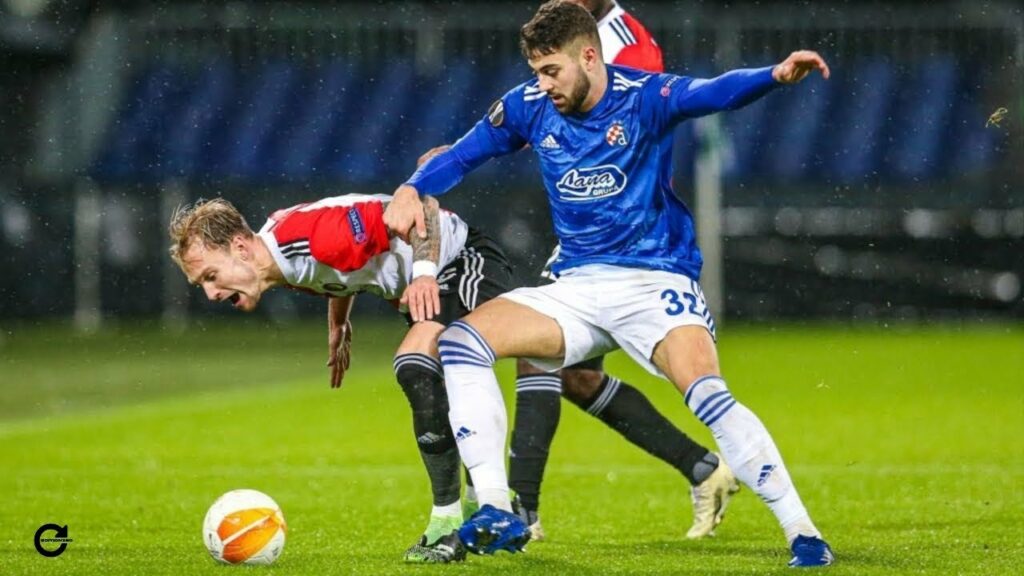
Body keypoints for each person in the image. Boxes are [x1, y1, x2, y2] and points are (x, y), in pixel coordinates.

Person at [383, 0, 834, 566]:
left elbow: (713, 92)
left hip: (653, 280)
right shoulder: (528, 106)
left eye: (553, 71)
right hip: (577, 285)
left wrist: (774, 75)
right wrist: (412, 186)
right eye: (537, 71)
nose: (543, 84)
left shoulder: (644, 96)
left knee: (708, 394)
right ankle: (498, 507)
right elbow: (464, 155)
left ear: (590, 58)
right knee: (461, 343)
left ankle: (803, 532)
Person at [167, 192, 520, 563]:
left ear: (240, 247)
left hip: (463, 259)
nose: (211, 293)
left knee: (417, 365)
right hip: (430, 279)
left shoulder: (312, 236)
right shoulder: (276, 264)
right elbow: (341, 267)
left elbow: (423, 208)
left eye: (211, 276)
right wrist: (339, 321)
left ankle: (448, 524)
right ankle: (484, 501)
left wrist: (423, 276)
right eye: (202, 284)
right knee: (436, 377)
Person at [503, 0, 737, 542]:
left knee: (538, 354)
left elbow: (620, 130)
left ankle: (519, 512)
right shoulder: (593, 32)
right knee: (575, 376)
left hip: (627, 240)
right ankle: (703, 468)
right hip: (598, 231)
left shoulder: (628, 45)